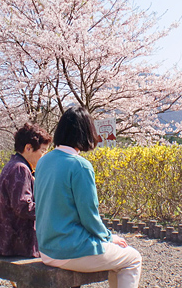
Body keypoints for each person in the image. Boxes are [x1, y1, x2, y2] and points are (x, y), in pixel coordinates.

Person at [34, 106, 142, 288]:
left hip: (46, 249)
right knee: (133, 259)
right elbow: (89, 214)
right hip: (71, 250)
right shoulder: (80, 166)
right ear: (86, 132)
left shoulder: (44, 161)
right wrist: (108, 237)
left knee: (119, 260)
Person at [0, 122, 52, 257]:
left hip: (7, 242)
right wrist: (51, 211)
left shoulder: (15, 165)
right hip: (16, 244)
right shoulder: (20, 168)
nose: (45, 155)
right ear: (28, 148)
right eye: (43, 150)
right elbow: (23, 207)